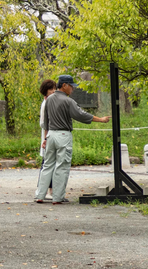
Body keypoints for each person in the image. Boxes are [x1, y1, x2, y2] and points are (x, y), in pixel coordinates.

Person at [35, 74, 110, 204]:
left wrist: (46, 137)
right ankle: (57, 197)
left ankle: (40, 195)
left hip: (50, 134)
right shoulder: (68, 101)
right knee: (62, 166)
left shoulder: (49, 99)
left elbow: (46, 121)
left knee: (47, 165)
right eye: (71, 86)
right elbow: (81, 115)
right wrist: (101, 119)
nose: (72, 89)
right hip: (63, 135)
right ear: (64, 85)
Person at [35, 79, 56, 199]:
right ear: (45, 91)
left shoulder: (50, 102)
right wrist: (46, 139)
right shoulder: (45, 104)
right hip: (47, 136)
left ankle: (49, 191)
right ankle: (44, 191)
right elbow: (44, 123)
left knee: (49, 164)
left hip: (49, 135)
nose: (53, 91)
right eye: (50, 89)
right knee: (47, 164)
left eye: (54, 88)